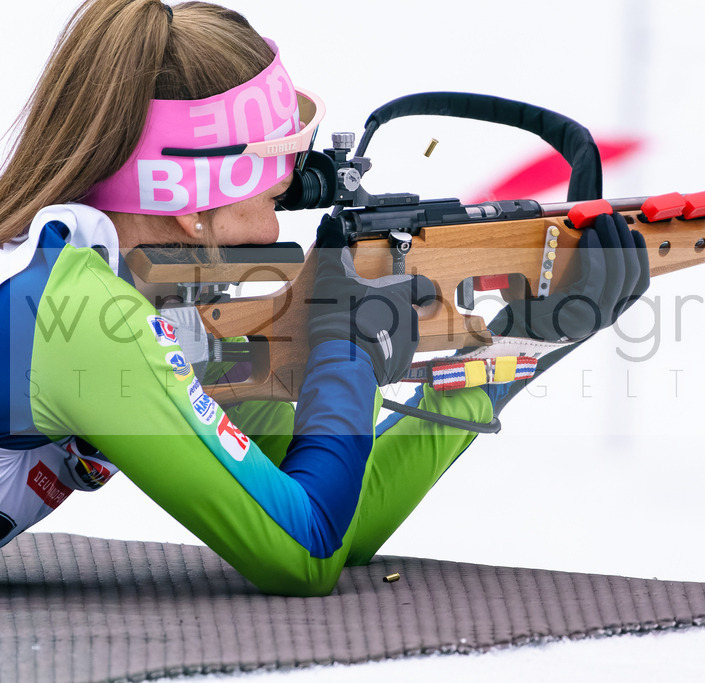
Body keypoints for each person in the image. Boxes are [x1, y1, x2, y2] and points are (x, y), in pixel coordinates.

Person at [0, 0, 648, 596]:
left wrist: (522, 338)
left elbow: (342, 513)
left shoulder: (121, 286)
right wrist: (347, 349)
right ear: (191, 208)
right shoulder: (85, 316)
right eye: (269, 195)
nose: (275, 227)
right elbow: (304, 551)